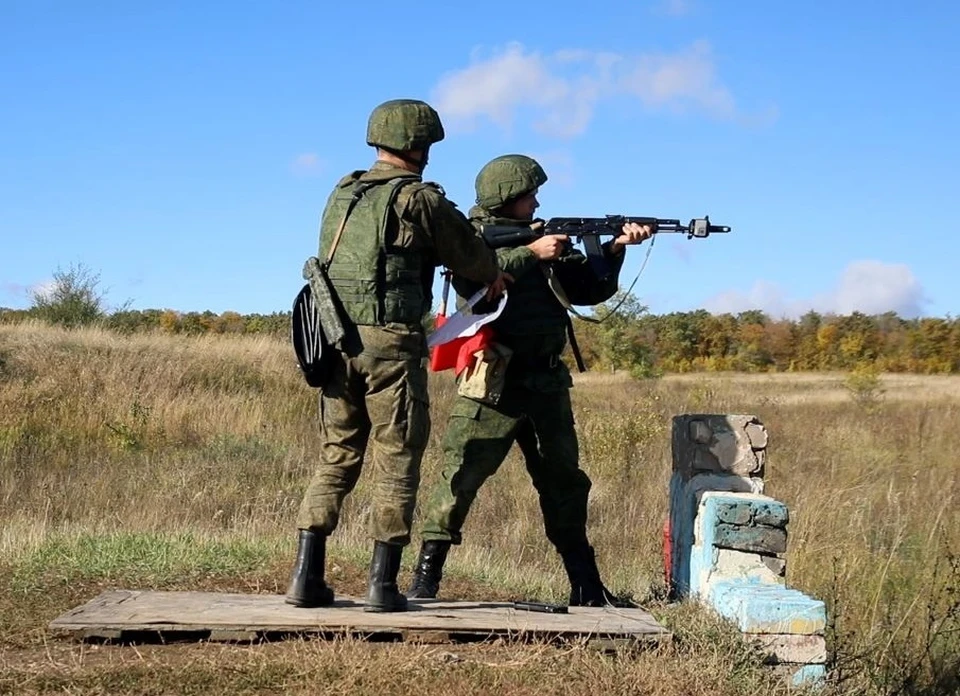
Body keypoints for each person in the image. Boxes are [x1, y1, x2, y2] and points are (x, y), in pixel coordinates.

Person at [285, 99, 508, 613]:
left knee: (337, 454)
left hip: (334, 340)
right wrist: (494, 271)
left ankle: (305, 577)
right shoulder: (419, 199)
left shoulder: (342, 193)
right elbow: (472, 257)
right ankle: (382, 586)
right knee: (398, 456)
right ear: (421, 145)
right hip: (390, 345)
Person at [408, 154, 652, 606]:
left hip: (547, 384)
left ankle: (586, 585)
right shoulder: (472, 239)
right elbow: (475, 288)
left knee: (565, 483)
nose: (537, 201)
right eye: (529, 195)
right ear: (506, 198)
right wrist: (529, 253)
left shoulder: (544, 237)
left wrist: (614, 250)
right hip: (493, 381)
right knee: (459, 477)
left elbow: (587, 291)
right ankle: (425, 580)